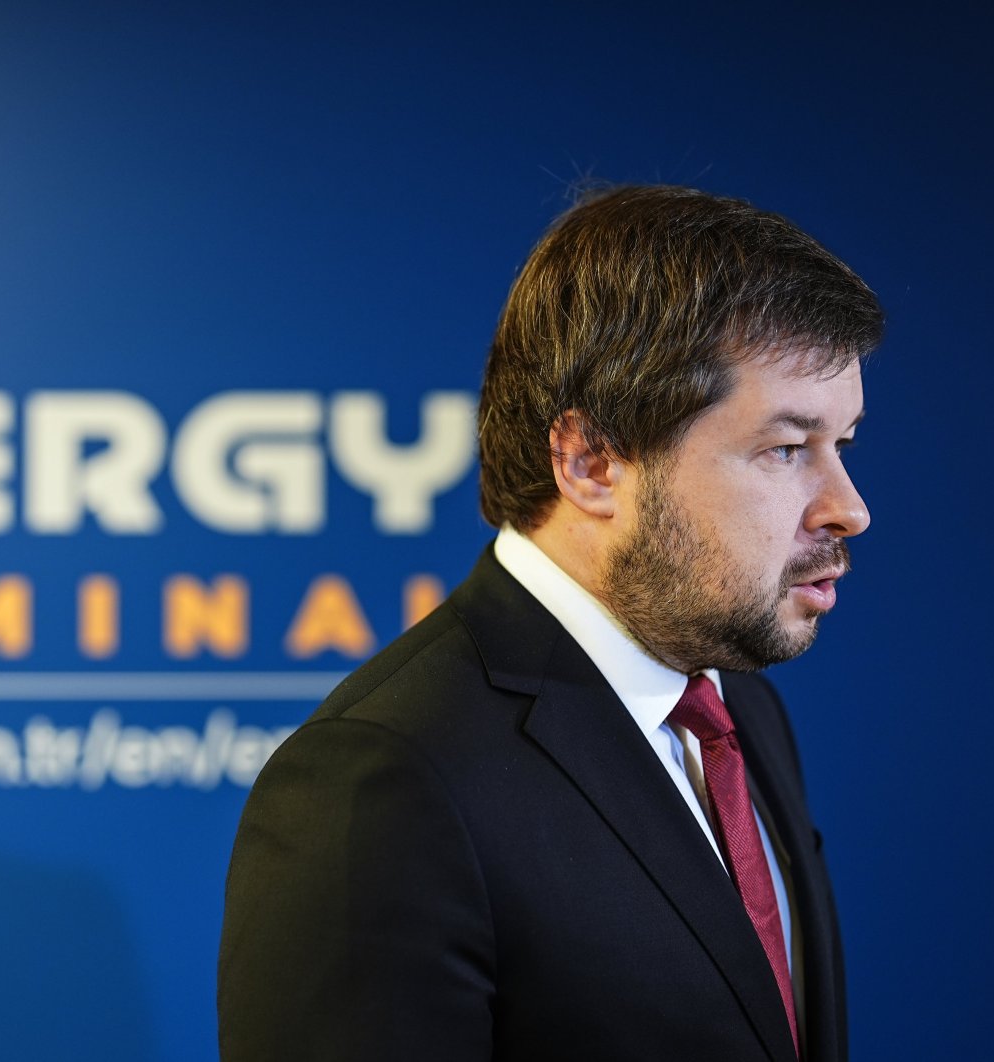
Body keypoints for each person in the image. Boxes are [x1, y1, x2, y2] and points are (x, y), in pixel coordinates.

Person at [218, 184, 882, 1062]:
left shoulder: (735, 710)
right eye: (786, 449)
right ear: (591, 462)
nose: (848, 508)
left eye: (846, 445)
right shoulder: (381, 781)